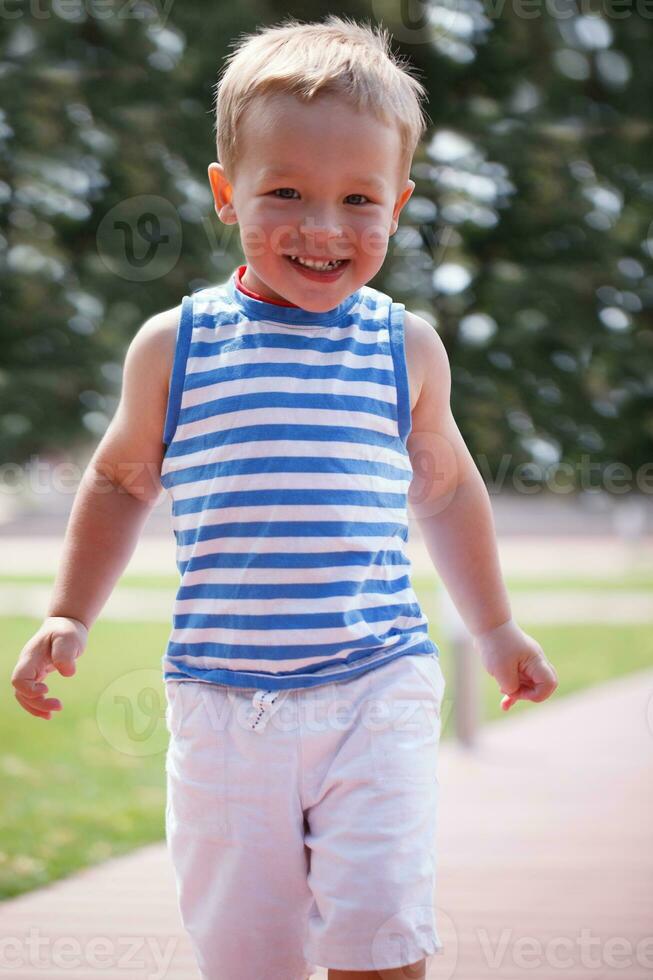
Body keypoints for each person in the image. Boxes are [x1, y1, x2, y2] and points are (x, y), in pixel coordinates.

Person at [11, 14, 558, 980]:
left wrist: (497, 626)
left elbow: (449, 492)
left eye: (359, 200)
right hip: (223, 701)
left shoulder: (405, 348)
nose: (322, 227)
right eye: (286, 194)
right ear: (227, 194)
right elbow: (116, 479)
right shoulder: (174, 346)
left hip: (375, 687)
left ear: (399, 202)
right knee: (246, 952)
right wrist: (69, 609)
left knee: (379, 933)